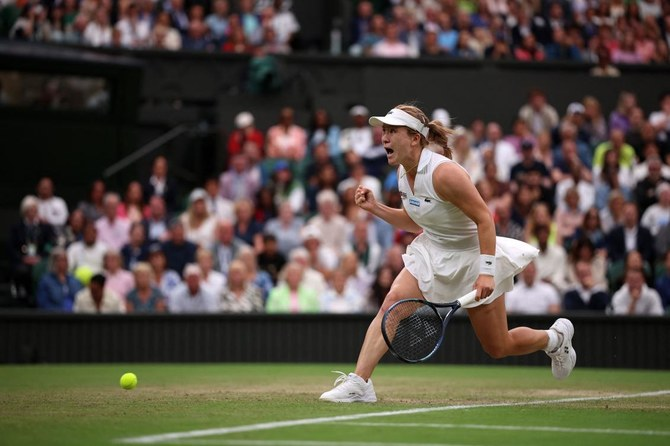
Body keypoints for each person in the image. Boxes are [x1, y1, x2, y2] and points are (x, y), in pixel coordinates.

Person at [320, 104, 575, 404]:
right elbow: (416, 220)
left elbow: (484, 219)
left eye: (392, 131)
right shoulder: (404, 172)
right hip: (433, 251)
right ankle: (360, 382)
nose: (384, 137)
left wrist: (486, 270)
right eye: (383, 131)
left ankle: (555, 339)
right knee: (392, 303)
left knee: (498, 346)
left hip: (474, 256)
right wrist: (375, 208)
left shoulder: (444, 174)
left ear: (414, 138)